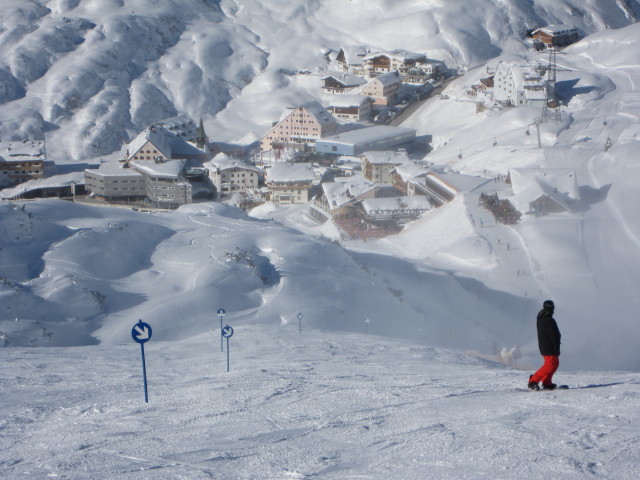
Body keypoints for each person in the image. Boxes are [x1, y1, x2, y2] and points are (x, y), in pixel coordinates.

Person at [528, 300, 561, 391]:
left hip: (545, 345)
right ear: (552, 308)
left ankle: (547, 382)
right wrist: (556, 348)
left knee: (554, 364)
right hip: (549, 346)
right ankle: (533, 381)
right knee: (550, 365)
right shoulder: (548, 320)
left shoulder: (542, 318)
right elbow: (554, 335)